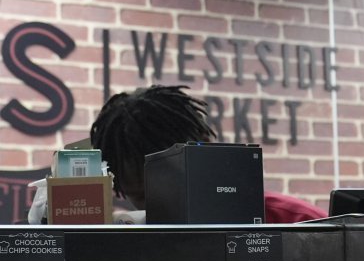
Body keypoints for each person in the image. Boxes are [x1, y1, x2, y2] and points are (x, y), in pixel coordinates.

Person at [89, 85, 327, 223]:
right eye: (143, 197)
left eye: (174, 190)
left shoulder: (299, 224)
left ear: (205, 148)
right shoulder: (131, 244)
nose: (165, 211)